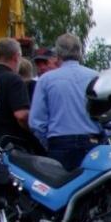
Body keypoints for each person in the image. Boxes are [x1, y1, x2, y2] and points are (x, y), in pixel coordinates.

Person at [29, 33, 101, 170]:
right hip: (92, 142)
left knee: (61, 189)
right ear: (80, 51)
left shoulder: (45, 80)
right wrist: (101, 135)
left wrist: (48, 141)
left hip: (59, 143)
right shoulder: (96, 77)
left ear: (58, 53)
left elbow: (36, 122)